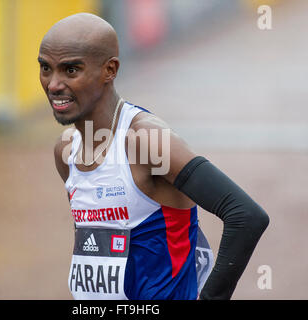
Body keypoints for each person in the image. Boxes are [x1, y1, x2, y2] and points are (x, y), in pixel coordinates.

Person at [38, 13, 269, 300]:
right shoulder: (66, 151)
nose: (53, 84)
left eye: (71, 70)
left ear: (109, 70)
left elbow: (246, 216)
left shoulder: (147, 141)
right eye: (46, 68)